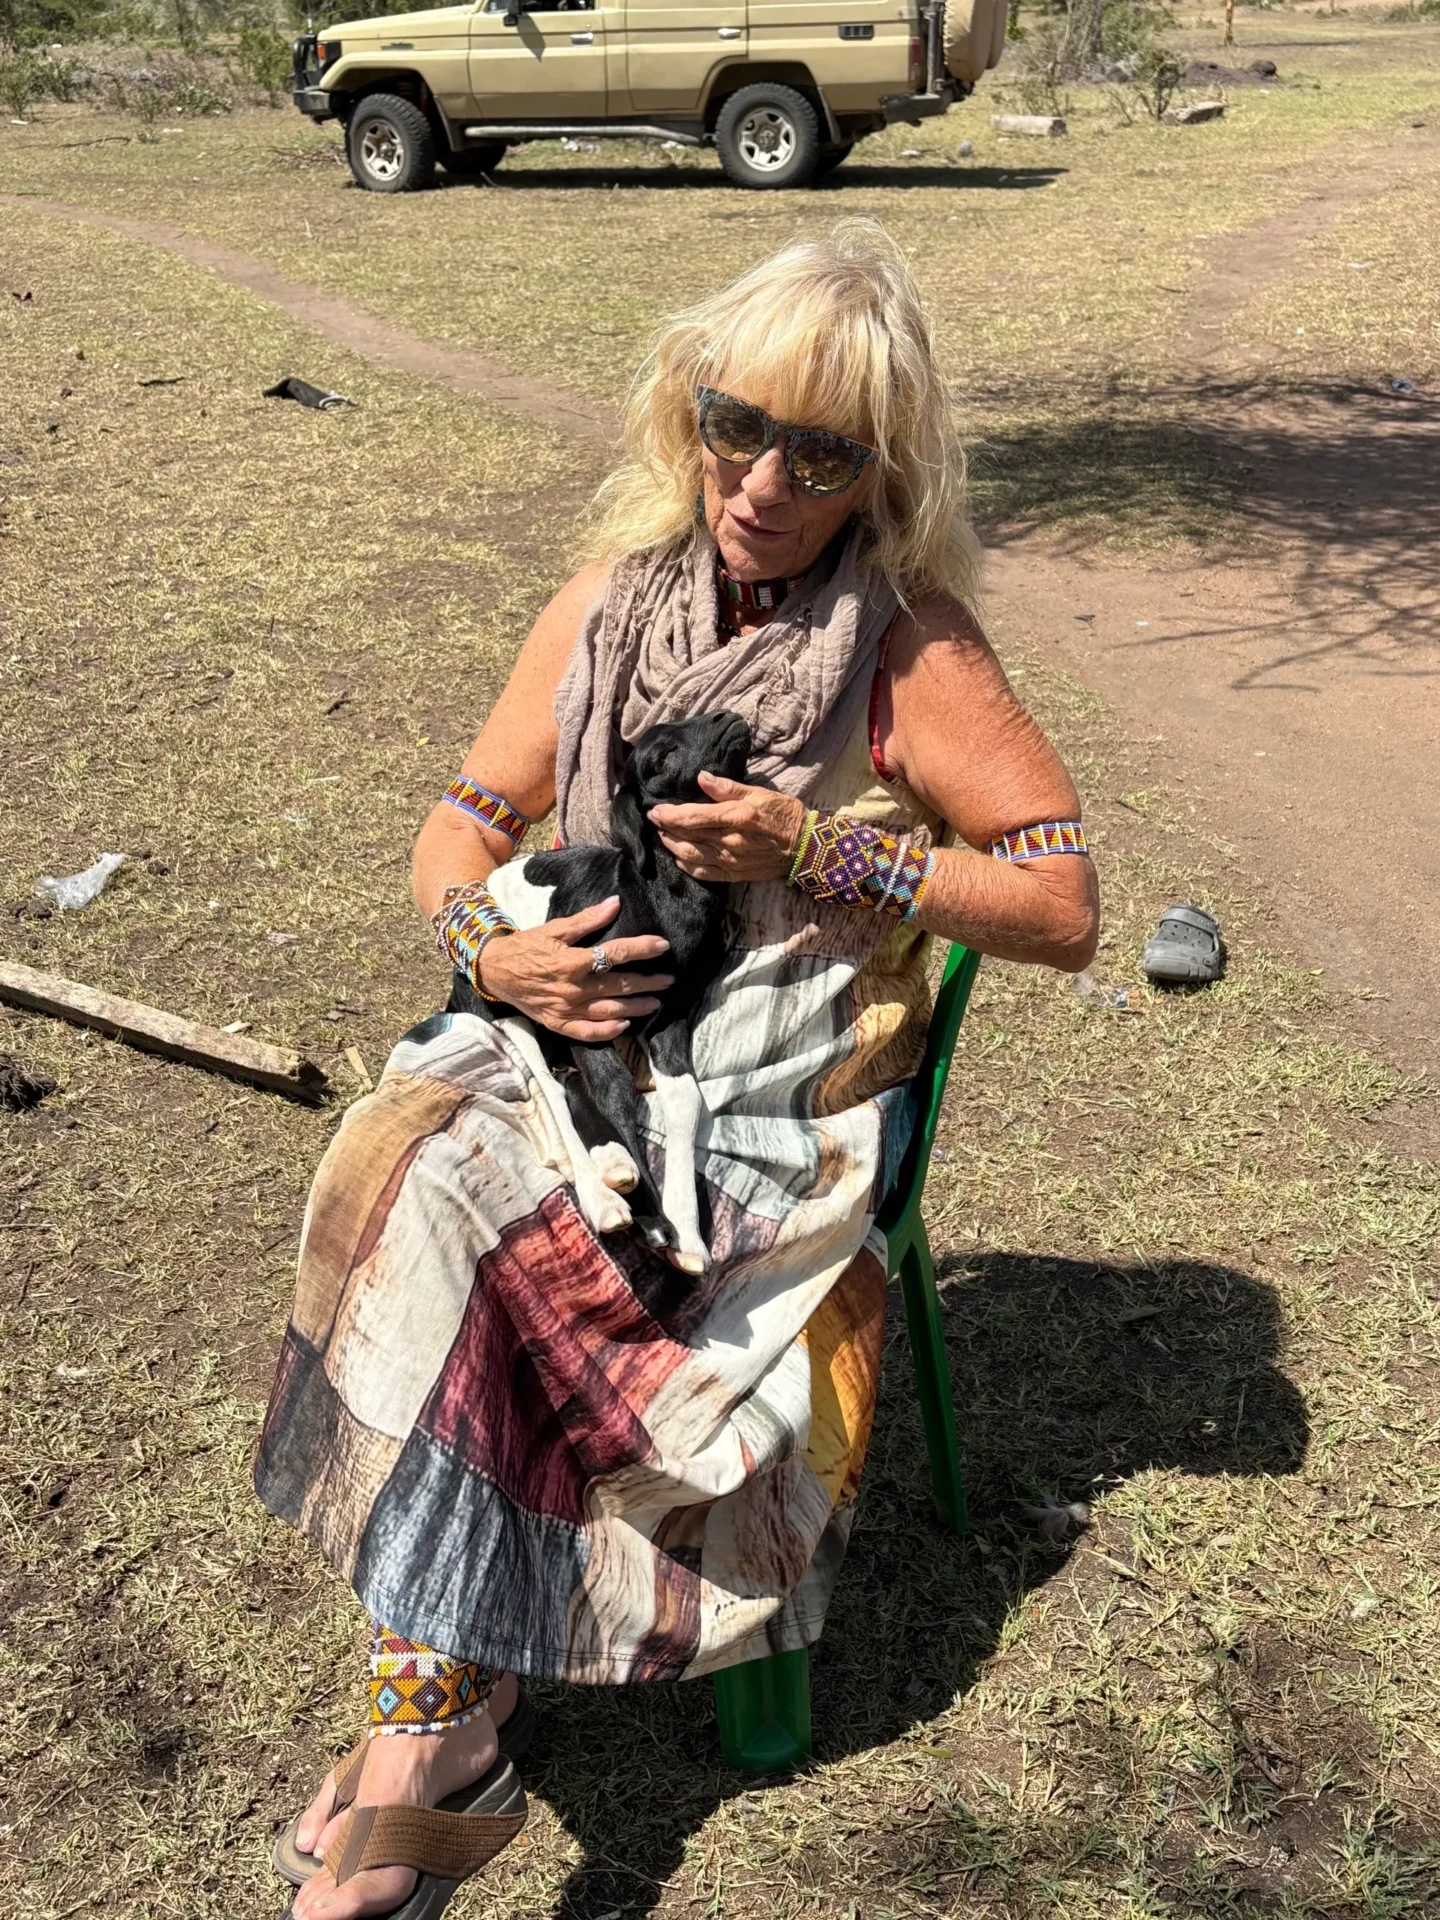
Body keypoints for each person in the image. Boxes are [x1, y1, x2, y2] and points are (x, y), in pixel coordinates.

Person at [255, 219, 1099, 1920]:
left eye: (822, 449)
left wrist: (827, 851)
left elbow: (1067, 903)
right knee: (404, 1154)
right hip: (576, 1049)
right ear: (686, 411)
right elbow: (463, 826)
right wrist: (487, 950)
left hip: (778, 1115)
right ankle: (451, 1712)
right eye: (736, 423)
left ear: (883, 469)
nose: (764, 479)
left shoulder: (908, 652)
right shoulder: (606, 607)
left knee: (494, 1232)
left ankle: (428, 1735)